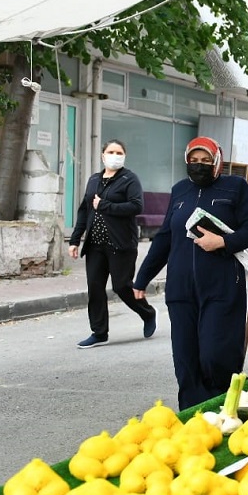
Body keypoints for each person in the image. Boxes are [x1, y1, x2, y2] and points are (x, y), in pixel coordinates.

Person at [132, 137, 248, 410]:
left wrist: (223, 243)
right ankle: (192, 417)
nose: (199, 166)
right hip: (181, 289)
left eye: (206, 161)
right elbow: (165, 237)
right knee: (185, 358)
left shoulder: (236, 188)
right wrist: (142, 278)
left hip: (223, 286)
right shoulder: (180, 191)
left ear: (217, 162)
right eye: (194, 161)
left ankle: (223, 410)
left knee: (217, 355)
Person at [69, 139, 157, 349]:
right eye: (111, 152)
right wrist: (74, 240)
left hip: (121, 244)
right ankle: (99, 333)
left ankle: (147, 313)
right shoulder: (94, 180)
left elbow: (136, 206)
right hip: (95, 245)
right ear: (103, 155)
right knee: (95, 288)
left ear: (124, 156)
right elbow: (84, 210)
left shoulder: (129, 179)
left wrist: (105, 205)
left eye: (119, 152)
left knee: (122, 286)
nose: (114, 155)